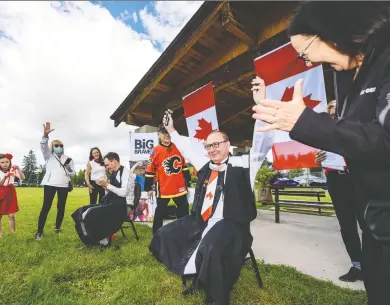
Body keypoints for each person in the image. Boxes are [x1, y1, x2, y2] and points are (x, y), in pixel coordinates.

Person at [252, 2, 390, 304]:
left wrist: (307, 123)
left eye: (304, 53)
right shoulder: (349, 73)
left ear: (329, 32)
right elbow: (356, 138)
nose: (307, 62)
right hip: (378, 223)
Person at [149, 109, 272, 305]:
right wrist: (171, 129)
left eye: (216, 144)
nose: (212, 149)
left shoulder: (243, 164)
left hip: (231, 223)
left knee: (211, 247)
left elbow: (262, 145)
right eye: (208, 146)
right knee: (166, 233)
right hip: (202, 219)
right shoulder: (205, 164)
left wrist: (261, 107)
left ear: (227, 144)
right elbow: (187, 147)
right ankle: (197, 277)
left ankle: (216, 297)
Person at [315, 100, 362, 282]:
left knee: (367, 222)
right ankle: (357, 265)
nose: (335, 118)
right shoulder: (325, 136)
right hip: (336, 180)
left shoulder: (357, 131)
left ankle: (374, 263)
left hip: (357, 177)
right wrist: (319, 161)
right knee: (347, 224)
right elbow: (323, 162)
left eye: (339, 114)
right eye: (332, 115)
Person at [145, 124, 191, 234]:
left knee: (183, 210)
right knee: (160, 212)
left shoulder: (178, 147)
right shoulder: (154, 150)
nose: (167, 135)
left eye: (168, 133)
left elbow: (183, 165)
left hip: (179, 186)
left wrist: (188, 180)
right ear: (159, 134)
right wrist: (148, 188)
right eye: (164, 133)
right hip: (163, 187)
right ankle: (157, 234)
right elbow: (150, 169)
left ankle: (184, 232)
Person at [36, 122, 76, 240]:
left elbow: (73, 173)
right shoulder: (48, 156)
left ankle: (57, 228)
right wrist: (45, 136)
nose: (59, 147)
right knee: (46, 207)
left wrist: (69, 169)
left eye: (61, 145)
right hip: (50, 184)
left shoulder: (68, 159)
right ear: (53, 147)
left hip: (63, 185)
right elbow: (43, 146)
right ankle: (39, 232)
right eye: (56, 145)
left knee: (61, 207)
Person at [95, 153, 141, 247]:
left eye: (107, 165)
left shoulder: (126, 174)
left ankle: (104, 239)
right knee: (94, 210)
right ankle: (99, 236)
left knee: (101, 212)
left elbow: (123, 193)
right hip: (116, 203)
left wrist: (107, 185)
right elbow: (113, 193)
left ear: (114, 161)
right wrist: (104, 186)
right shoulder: (114, 174)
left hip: (126, 206)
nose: (106, 167)